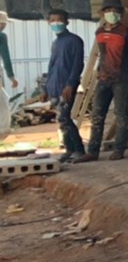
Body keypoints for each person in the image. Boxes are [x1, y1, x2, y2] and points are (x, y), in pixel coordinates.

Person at [83, 0, 128, 161]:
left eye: (115, 11)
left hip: (122, 78)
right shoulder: (99, 32)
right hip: (103, 77)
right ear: (102, 13)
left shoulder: (127, 33)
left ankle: (119, 149)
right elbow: (102, 53)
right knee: (97, 114)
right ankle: (92, 152)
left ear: (121, 13)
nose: (112, 13)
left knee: (121, 114)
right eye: (108, 10)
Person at [44, 9, 86, 162]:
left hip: (67, 86)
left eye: (59, 20)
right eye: (52, 20)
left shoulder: (74, 40)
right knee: (61, 120)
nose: (56, 23)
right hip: (55, 86)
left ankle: (79, 150)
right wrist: (45, 88)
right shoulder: (56, 43)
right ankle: (70, 150)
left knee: (64, 118)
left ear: (67, 22)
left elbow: (78, 64)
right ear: (48, 22)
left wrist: (70, 84)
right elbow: (52, 66)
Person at [0, 12, 18, 95]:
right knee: (2, 100)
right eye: (5, 23)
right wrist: (12, 78)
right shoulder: (1, 36)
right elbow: (6, 57)